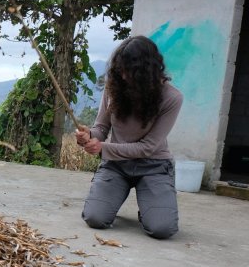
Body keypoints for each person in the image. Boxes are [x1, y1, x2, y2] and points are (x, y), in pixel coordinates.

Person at [75, 35, 183, 239]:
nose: (123, 77)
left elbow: (148, 147)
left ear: (147, 72)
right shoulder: (114, 87)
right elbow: (101, 128)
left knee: (161, 229)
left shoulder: (172, 98)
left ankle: (151, 208)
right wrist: (87, 136)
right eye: (120, 70)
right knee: (95, 218)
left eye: (129, 71)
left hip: (154, 166)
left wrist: (102, 148)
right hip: (116, 165)